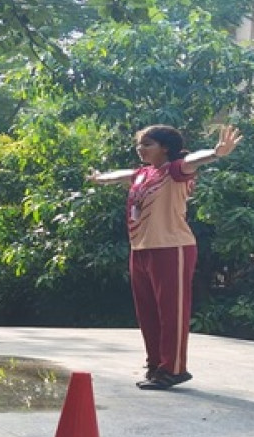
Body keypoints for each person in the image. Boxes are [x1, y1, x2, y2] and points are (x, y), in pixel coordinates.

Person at [89, 124, 242, 390]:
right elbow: (121, 175)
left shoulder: (175, 170)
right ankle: (156, 366)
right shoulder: (142, 174)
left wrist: (216, 153)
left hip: (172, 248)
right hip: (141, 249)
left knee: (172, 312)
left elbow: (194, 160)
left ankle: (173, 369)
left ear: (166, 147)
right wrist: (101, 178)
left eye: (147, 144)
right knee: (147, 313)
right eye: (139, 144)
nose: (140, 148)